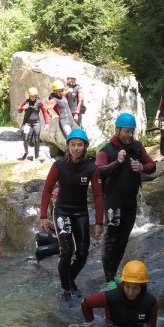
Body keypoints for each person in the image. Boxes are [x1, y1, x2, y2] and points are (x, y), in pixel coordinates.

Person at [39, 128, 104, 306]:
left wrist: (99, 222)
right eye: (73, 145)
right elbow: (46, 189)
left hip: (81, 212)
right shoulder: (59, 165)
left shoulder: (91, 167)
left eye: (80, 145)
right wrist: (43, 215)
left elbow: (98, 196)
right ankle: (65, 288)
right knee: (66, 251)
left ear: (85, 147)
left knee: (82, 253)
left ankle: (69, 279)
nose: (76, 148)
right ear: (67, 146)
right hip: (62, 211)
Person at [96, 112, 156, 287]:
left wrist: (142, 167)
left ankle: (114, 274)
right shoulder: (106, 149)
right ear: (117, 130)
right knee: (112, 239)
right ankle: (109, 279)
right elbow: (98, 171)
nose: (129, 135)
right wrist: (117, 162)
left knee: (123, 239)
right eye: (126, 132)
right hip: (113, 202)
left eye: (132, 131)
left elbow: (152, 166)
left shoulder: (137, 147)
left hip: (130, 201)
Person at [80, 260, 159, 327]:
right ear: (123, 284)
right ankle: (111, 280)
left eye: (135, 288)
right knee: (110, 276)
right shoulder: (112, 296)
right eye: (127, 287)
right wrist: (91, 325)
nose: (130, 292)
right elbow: (85, 303)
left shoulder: (150, 302)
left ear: (142, 287)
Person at [17, 86, 50, 160]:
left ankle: (36, 156)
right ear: (29, 95)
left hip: (36, 123)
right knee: (25, 138)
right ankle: (26, 153)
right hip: (27, 123)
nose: (33, 98)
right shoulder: (26, 102)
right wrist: (22, 108)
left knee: (37, 139)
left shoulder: (39, 103)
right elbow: (19, 110)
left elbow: (44, 112)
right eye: (32, 96)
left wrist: (47, 123)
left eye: (35, 96)